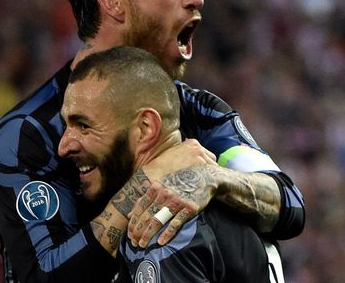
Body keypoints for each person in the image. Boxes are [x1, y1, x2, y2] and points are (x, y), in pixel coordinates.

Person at [0, 0, 305, 282]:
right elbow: (41, 276)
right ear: (114, 3)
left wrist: (213, 179)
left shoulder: (198, 111)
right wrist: (150, 179)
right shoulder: (30, 133)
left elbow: (287, 202)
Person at [60, 45, 282, 282]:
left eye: (84, 126)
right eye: (66, 125)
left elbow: (292, 203)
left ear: (145, 128)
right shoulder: (235, 205)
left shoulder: (163, 226)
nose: (63, 146)